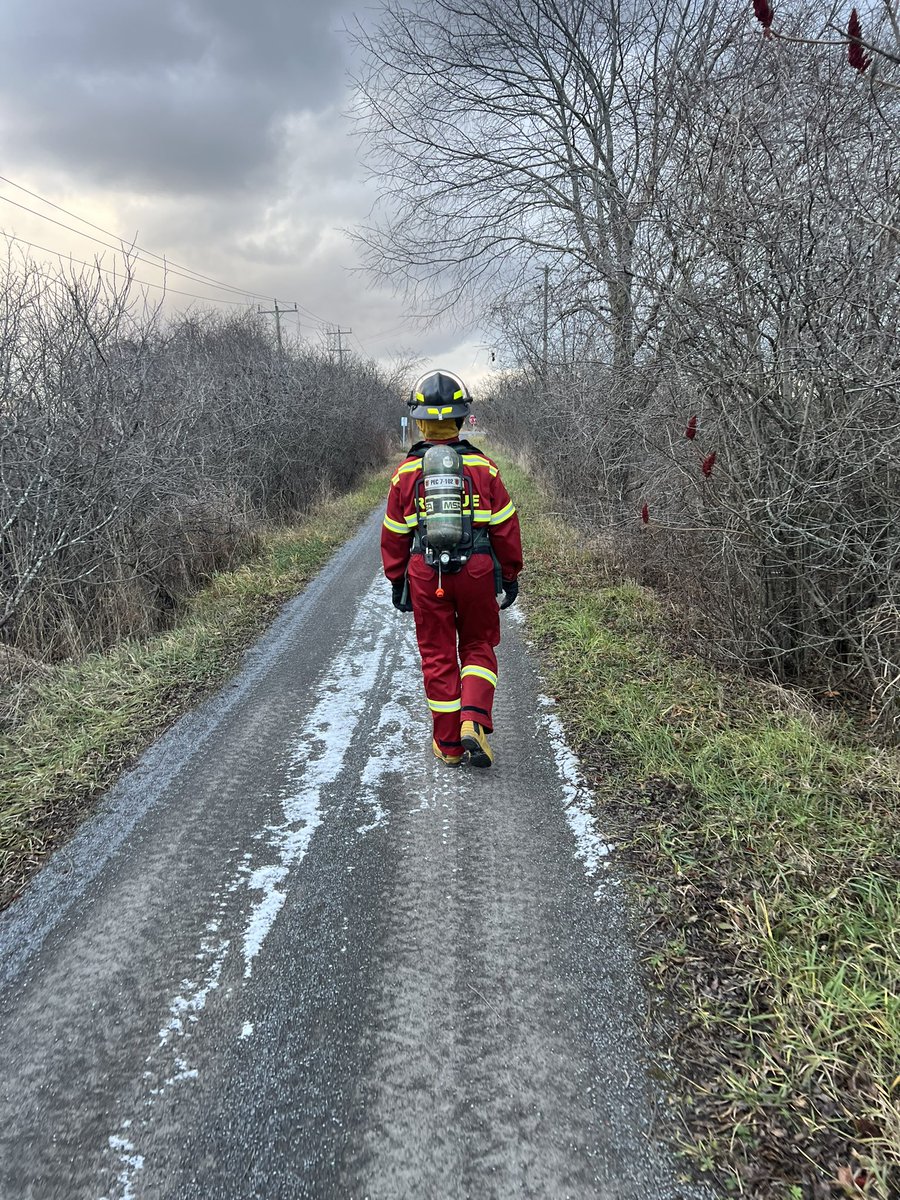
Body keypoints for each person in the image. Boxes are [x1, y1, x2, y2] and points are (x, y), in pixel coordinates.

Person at [381, 369, 523, 768]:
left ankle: (448, 746)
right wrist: (509, 574)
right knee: (478, 644)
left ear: (419, 422)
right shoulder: (485, 469)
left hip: (427, 574)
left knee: (439, 655)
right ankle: (473, 720)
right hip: (477, 571)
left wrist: (397, 579)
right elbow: (506, 527)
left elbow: (394, 534)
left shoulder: (406, 474)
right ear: (461, 419)